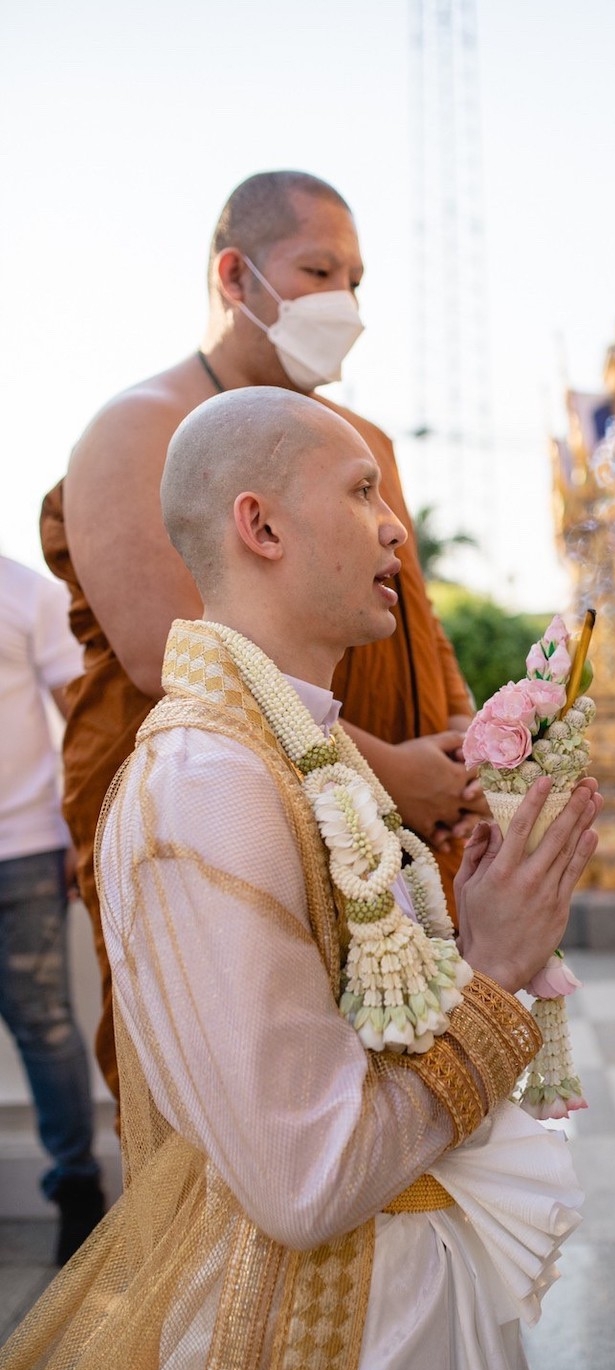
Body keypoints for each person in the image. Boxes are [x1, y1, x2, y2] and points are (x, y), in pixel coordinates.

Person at [0, 388, 600, 1370]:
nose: (395, 526)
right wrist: (494, 974)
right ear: (261, 525)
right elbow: (306, 1177)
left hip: (399, 1315)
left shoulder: (294, 753)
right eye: (362, 490)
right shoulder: (209, 782)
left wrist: (472, 932)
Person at [41, 169, 483, 1106]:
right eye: (318, 271)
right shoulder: (136, 429)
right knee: (244, 1114)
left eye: (355, 280)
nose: (344, 302)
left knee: (412, 1092)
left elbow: (416, 620)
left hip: (400, 827)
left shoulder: (362, 441)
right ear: (235, 276)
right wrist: (386, 772)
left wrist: (461, 750)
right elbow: (165, 657)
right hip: (227, 829)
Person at [0, 555, 105, 1263]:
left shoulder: (27, 594)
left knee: (45, 1028)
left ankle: (78, 1191)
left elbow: (81, 717)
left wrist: (79, 831)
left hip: (23, 849)